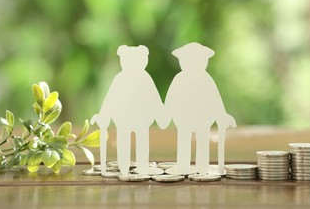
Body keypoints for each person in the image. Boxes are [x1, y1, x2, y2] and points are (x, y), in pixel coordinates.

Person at [91, 45, 168, 175]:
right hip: (123, 120)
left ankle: (142, 167)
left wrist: (161, 115)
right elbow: (111, 99)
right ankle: (124, 168)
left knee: (142, 142)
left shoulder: (145, 78)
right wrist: (104, 115)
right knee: (123, 142)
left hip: (142, 119)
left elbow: (154, 98)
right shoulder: (120, 78)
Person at [165, 42, 236, 174]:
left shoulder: (206, 79)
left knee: (202, 144)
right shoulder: (179, 79)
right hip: (183, 120)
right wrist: (166, 115)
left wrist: (222, 115)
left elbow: (215, 100)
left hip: (203, 120)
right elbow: (171, 99)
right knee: (184, 143)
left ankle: (202, 169)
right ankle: (183, 168)